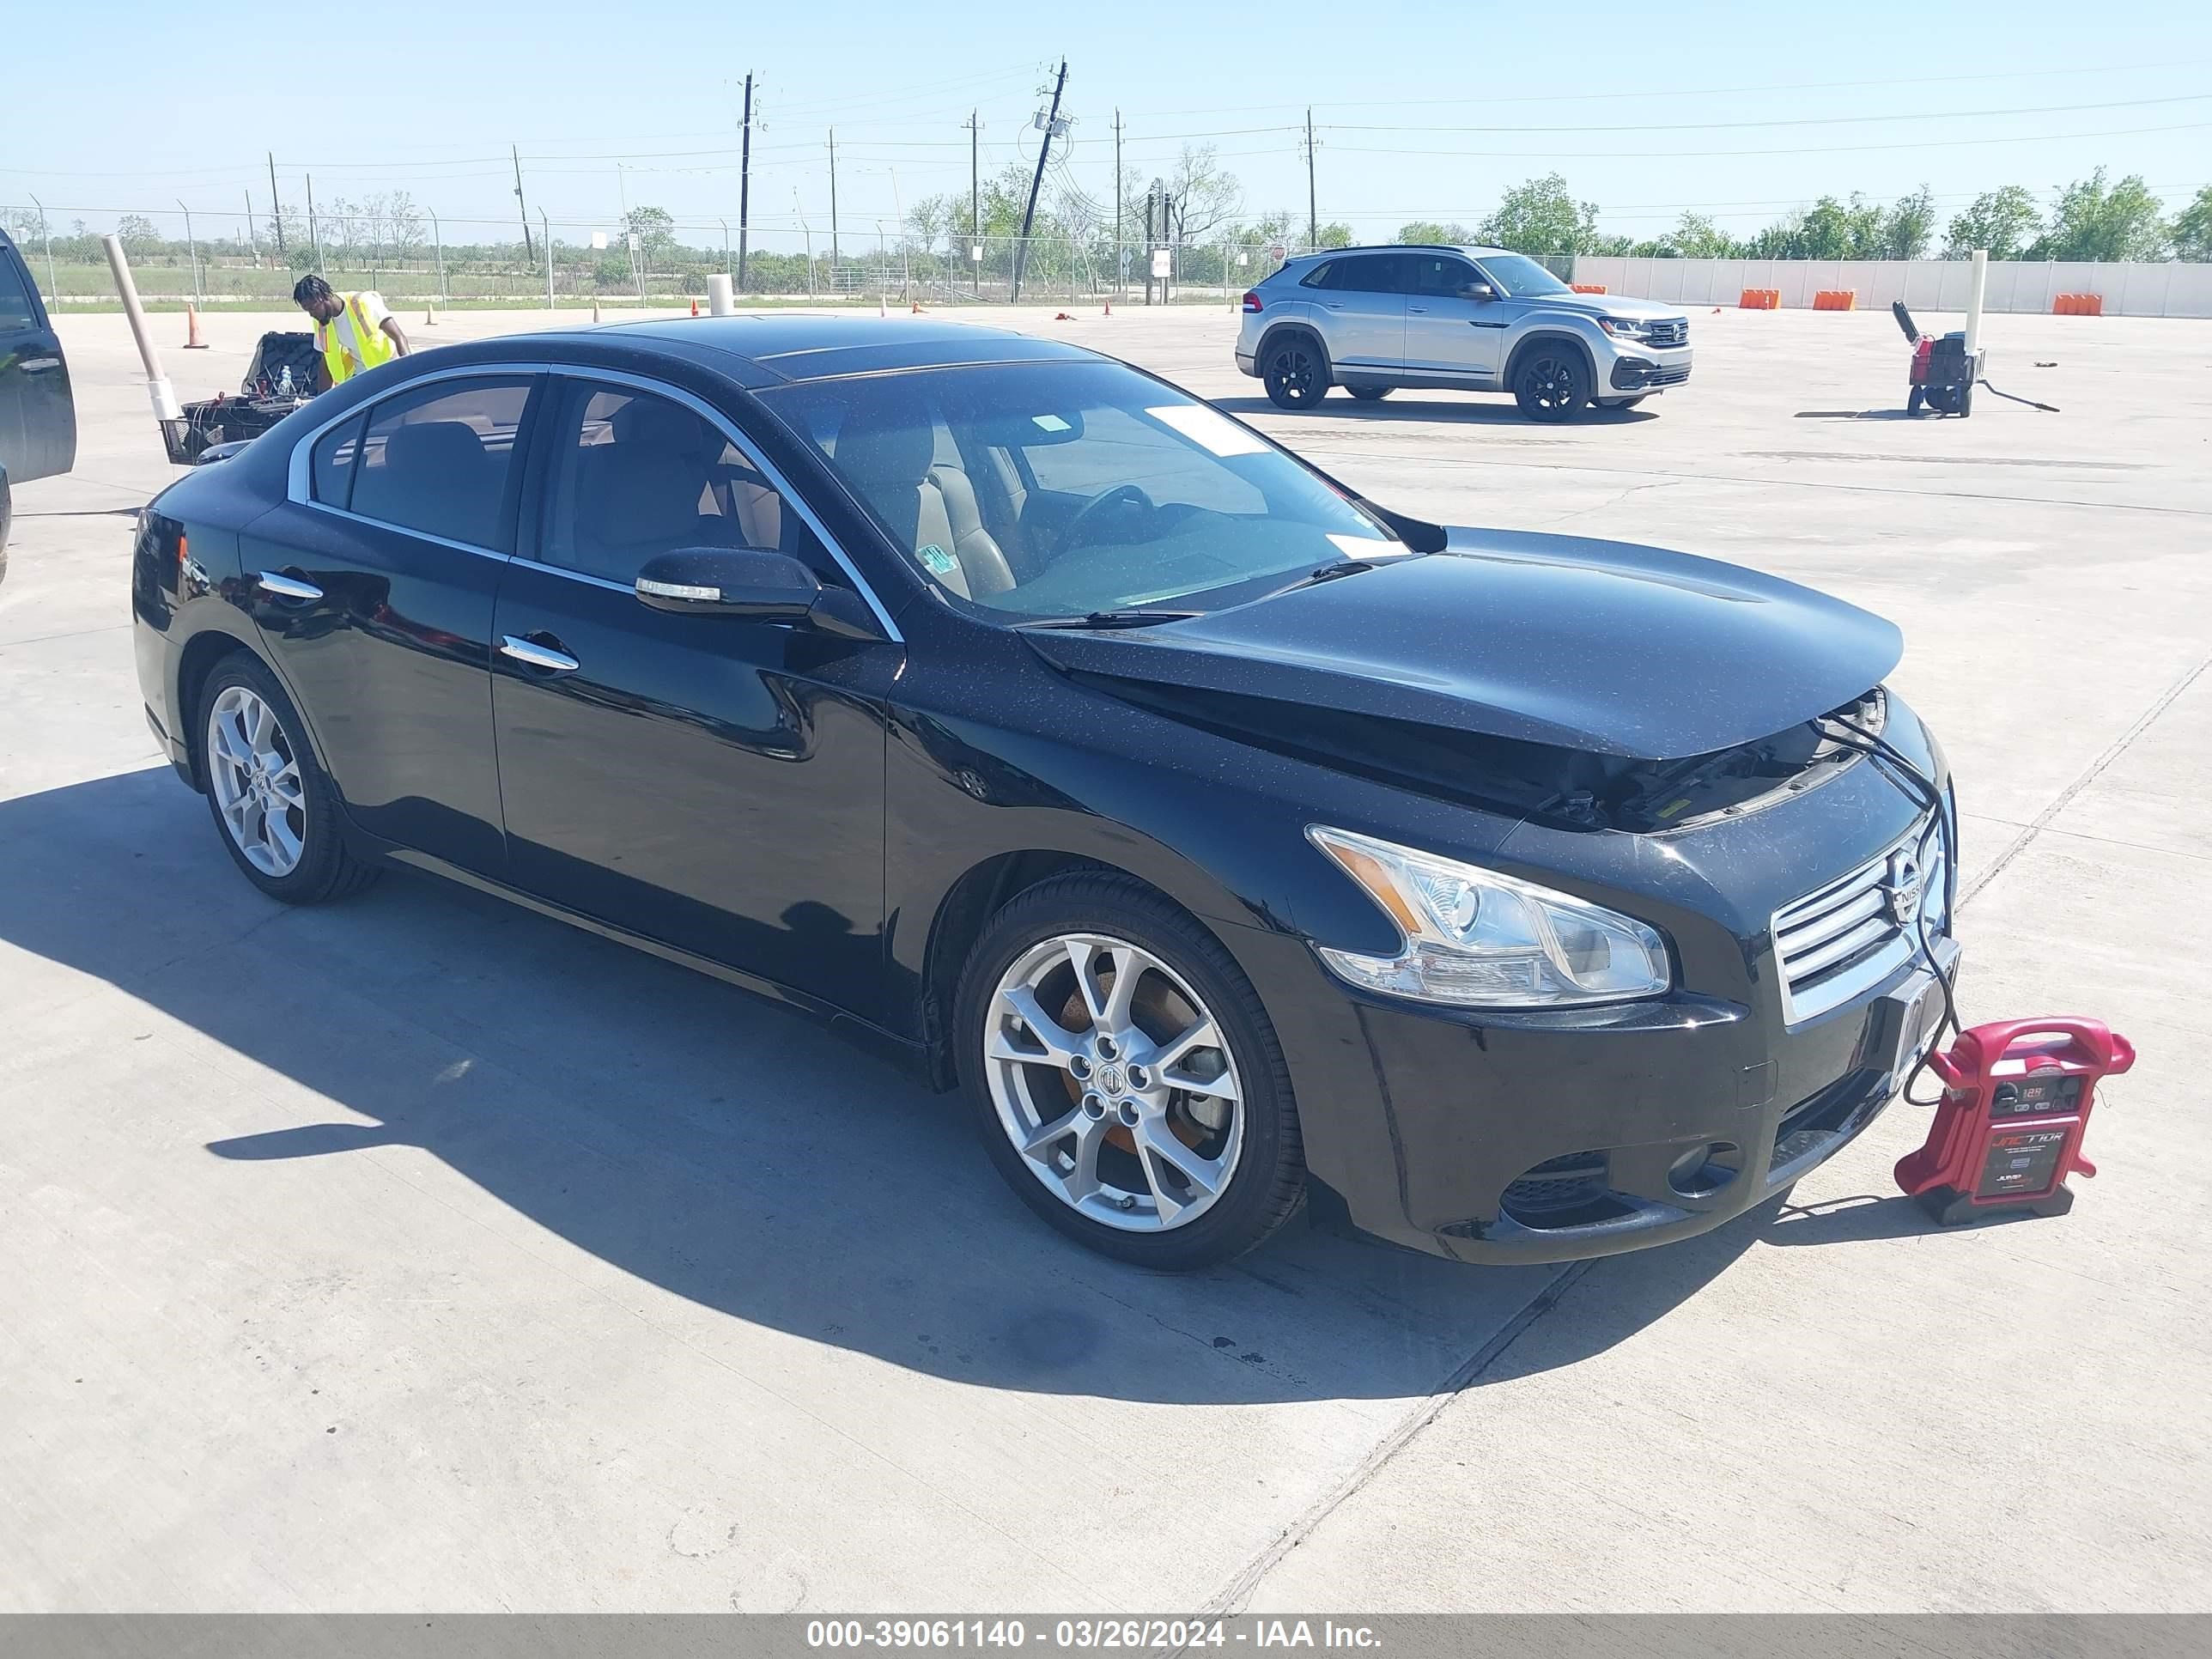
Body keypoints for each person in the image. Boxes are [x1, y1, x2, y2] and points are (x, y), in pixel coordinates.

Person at [292, 274, 410, 392]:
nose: (312, 314)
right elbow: (326, 362)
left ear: (323, 297)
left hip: (391, 369)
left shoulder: (362, 303)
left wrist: (411, 373)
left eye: (313, 308)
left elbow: (399, 337)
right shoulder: (321, 323)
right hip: (362, 376)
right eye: (307, 311)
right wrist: (320, 401)